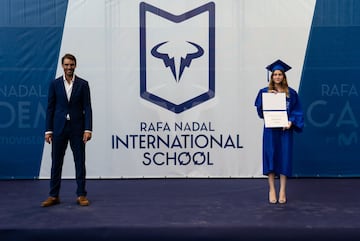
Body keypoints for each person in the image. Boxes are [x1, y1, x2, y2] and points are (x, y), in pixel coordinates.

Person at [41, 53, 93, 207]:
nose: (69, 67)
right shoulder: (54, 84)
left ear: (75, 65)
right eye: (66, 65)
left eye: (71, 64)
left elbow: (87, 108)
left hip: (78, 129)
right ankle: (53, 195)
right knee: (56, 163)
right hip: (58, 129)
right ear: (62, 66)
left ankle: (81, 195)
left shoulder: (83, 84)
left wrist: (88, 129)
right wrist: (48, 130)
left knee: (80, 162)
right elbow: (50, 108)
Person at [254, 59, 304, 204]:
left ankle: (282, 190)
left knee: (284, 159)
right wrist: (267, 99)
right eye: (275, 74)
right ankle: (272, 189)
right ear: (272, 76)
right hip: (270, 131)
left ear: (283, 76)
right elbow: (260, 112)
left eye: (280, 74)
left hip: (285, 131)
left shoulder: (291, 93)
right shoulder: (264, 92)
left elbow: (297, 111)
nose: (277, 76)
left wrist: (291, 122)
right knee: (271, 158)